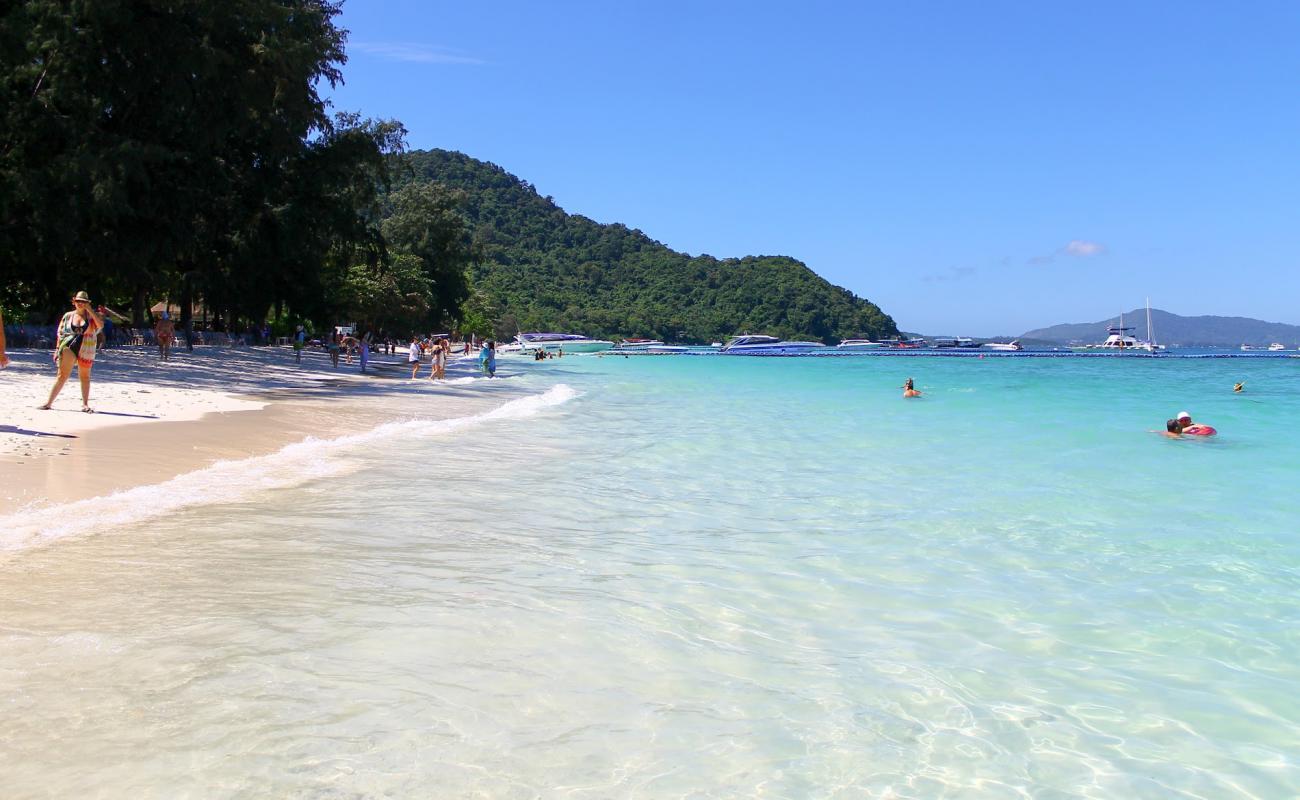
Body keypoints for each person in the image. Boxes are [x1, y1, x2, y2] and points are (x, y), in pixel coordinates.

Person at [40, 291, 104, 412]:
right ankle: (48, 403)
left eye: (83, 302)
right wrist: (57, 349)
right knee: (62, 375)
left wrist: (90, 310)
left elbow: (100, 326)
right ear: (74, 301)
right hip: (69, 345)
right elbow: (60, 333)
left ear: (87, 303)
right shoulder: (68, 316)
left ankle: (85, 404)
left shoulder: (91, 316)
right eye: (78, 301)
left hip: (87, 347)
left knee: (85, 376)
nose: (80, 304)